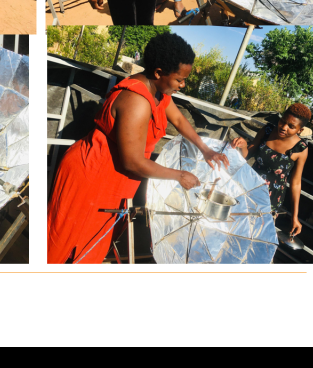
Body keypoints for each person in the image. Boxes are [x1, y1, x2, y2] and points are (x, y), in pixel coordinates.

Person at [48, 33, 230, 264]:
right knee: (65, 246)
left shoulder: (159, 92)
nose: (183, 85)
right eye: (179, 80)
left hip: (112, 180)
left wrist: (205, 149)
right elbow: (132, 162)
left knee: (91, 248)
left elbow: (180, 120)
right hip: (91, 178)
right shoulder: (136, 102)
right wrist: (179, 175)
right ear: (158, 73)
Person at [231, 103, 311, 236]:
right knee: (233, 228)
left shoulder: (301, 149)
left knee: (254, 237)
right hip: (246, 191)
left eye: (291, 126)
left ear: (300, 130)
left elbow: (296, 184)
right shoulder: (267, 131)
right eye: (283, 121)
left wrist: (294, 217)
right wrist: (244, 145)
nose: (284, 127)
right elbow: (247, 155)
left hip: (269, 204)